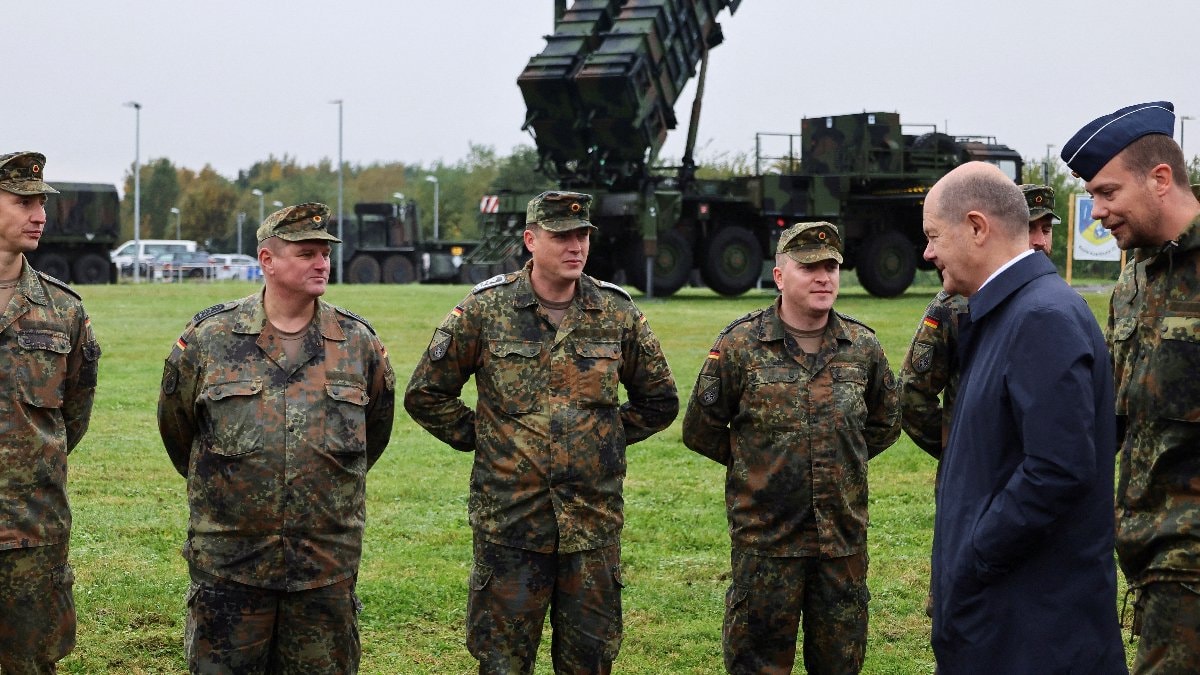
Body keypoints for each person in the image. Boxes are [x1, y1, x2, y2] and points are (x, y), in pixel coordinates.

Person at [404, 190, 678, 674]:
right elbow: (426, 393)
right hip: (510, 524)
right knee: (503, 662)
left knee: (590, 661)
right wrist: (485, 438)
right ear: (531, 240)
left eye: (582, 236)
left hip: (590, 523)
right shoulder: (486, 309)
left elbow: (660, 399)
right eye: (562, 237)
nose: (576, 246)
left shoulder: (615, 311)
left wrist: (604, 439)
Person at [157, 202, 395, 672]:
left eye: (325, 253)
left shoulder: (357, 342)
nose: (321, 263)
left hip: (323, 566)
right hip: (231, 564)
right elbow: (178, 428)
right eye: (306, 253)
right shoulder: (211, 338)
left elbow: (376, 430)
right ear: (267, 260)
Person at [922, 161, 1125, 673]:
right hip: (1009, 621)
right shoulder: (1007, 312)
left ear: (976, 227)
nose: (927, 253)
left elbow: (1058, 469)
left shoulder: (1040, 318)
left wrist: (977, 554)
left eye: (933, 236)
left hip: (1032, 633)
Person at [681, 221, 900, 674]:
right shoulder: (740, 345)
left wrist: (839, 460)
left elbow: (885, 423)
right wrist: (757, 466)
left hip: (840, 543)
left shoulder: (862, 346)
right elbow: (701, 429)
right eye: (809, 268)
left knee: (840, 664)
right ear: (780, 277)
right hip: (766, 542)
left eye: (831, 267)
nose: (823, 278)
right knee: (757, 664)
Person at [1062, 100, 1200, 673]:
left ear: (1160, 179)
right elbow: (1117, 412)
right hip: (1148, 556)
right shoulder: (1134, 279)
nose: (1096, 211)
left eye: (1107, 192)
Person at [0, 151, 100, 674]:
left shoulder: (63, 310)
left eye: (41, 203)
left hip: (32, 529)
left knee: (31, 663)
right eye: (24, 203)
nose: (39, 215)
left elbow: (71, 416)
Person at [899, 183, 1059, 456]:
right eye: (1029, 229)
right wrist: (959, 450)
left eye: (1046, 230)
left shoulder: (1064, 306)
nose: (1040, 242)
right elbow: (911, 395)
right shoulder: (955, 306)